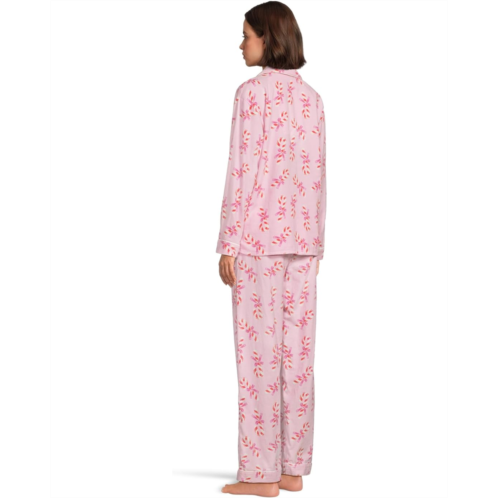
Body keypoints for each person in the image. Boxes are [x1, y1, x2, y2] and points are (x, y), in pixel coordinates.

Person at [217, 2, 327, 495]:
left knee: (258, 358)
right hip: (303, 244)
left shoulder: (250, 94)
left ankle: (260, 475)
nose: (241, 44)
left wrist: (228, 243)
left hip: (258, 243)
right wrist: (318, 246)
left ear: (268, 38)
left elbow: (240, 171)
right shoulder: (313, 100)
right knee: (297, 358)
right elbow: (320, 174)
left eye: (247, 35)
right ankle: (292, 469)